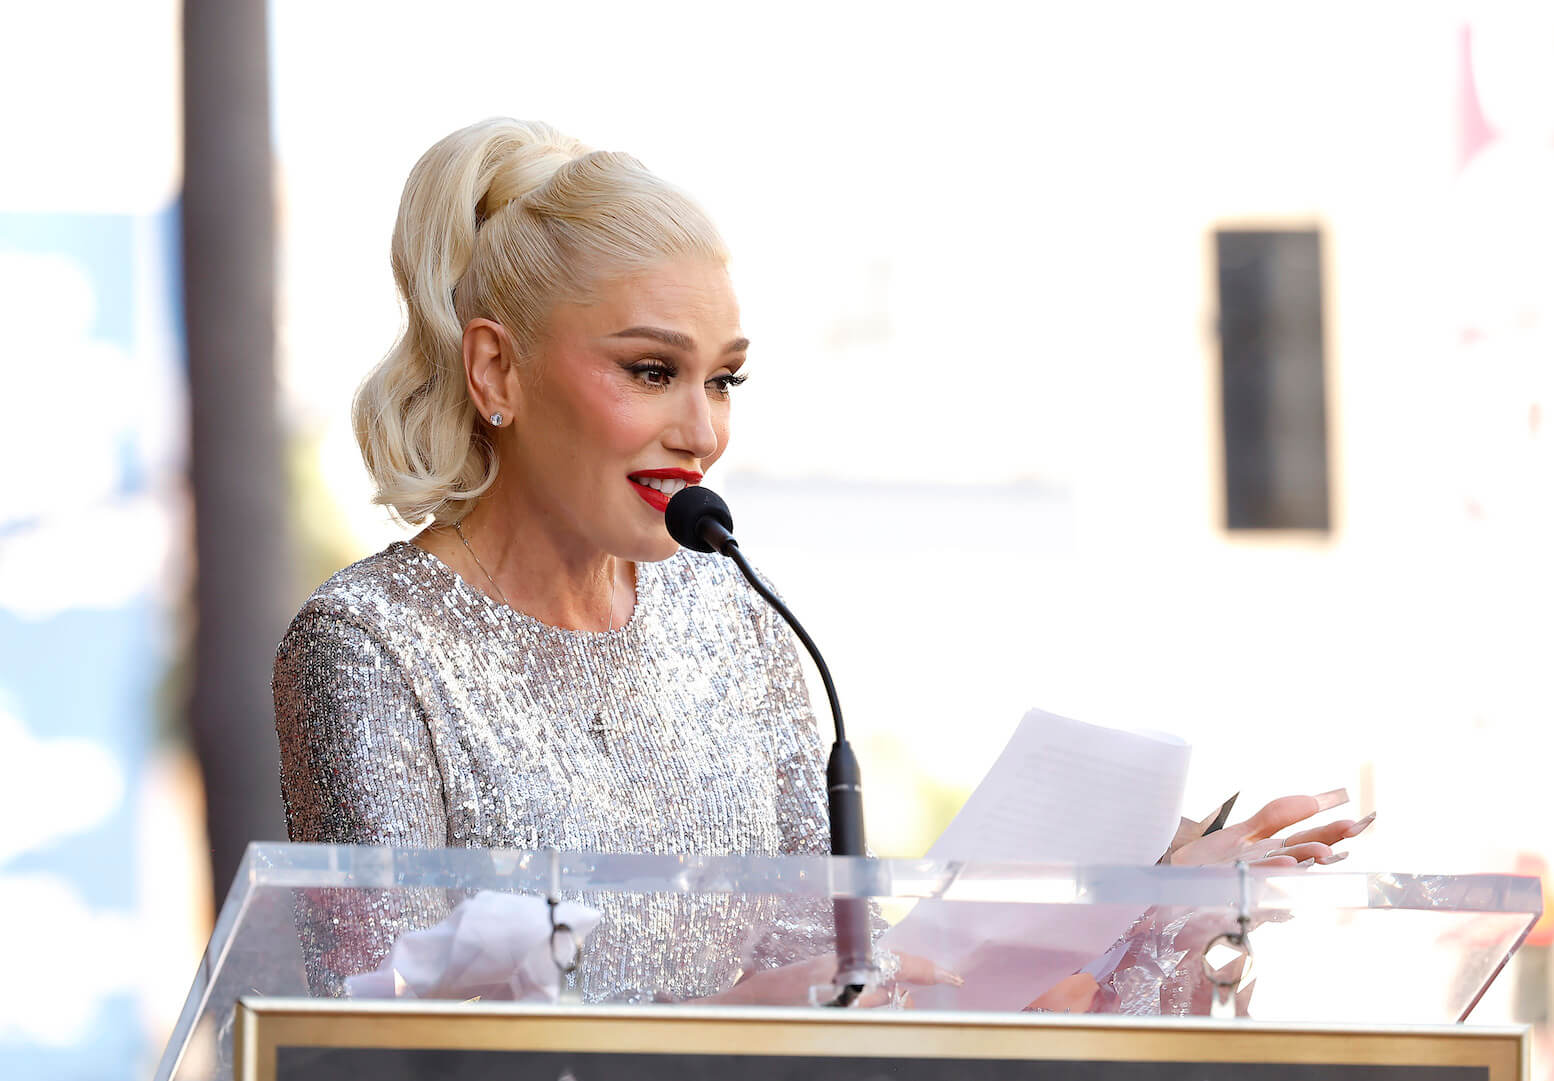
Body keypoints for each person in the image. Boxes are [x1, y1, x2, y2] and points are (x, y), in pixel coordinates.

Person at [273, 118, 1364, 1009]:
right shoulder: (371, 646)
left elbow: (852, 993)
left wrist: (1145, 903)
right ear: (497, 370)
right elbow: (388, 1042)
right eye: (652, 371)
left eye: (725, 381)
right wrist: (751, 1018)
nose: (701, 431)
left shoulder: (741, 623)